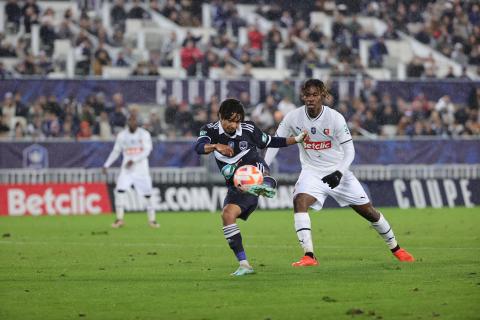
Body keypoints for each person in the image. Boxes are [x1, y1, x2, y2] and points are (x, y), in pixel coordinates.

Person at [264, 79, 414, 267]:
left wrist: (339, 172)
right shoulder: (293, 117)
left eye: (315, 95)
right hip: (312, 172)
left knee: (369, 212)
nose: (310, 99)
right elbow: (275, 141)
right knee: (299, 201)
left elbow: (350, 151)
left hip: (338, 172)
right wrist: (265, 166)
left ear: (322, 96)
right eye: (307, 95)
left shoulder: (335, 118)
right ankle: (309, 256)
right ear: (303, 96)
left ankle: (396, 248)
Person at [194, 98, 307, 276]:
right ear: (220, 117)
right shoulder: (210, 130)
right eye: (230, 120)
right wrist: (216, 146)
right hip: (235, 186)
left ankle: (267, 183)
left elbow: (270, 141)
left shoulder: (248, 129)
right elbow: (199, 147)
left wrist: (297, 139)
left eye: (237, 120)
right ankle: (244, 264)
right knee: (227, 215)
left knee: (256, 167)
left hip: (251, 173)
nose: (234, 125)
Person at [102, 114, 159, 228]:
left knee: (147, 194)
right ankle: (119, 219)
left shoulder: (144, 134)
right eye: (130, 121)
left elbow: (147, 150)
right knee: (119, 190)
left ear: (137, 122)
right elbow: (116, 151)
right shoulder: (122, 135)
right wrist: (106, 165)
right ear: (128, 122)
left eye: (134, 121)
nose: (132, 123)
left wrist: (134, 159)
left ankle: (152, 220)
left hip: (141, 169)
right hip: (127, 169)